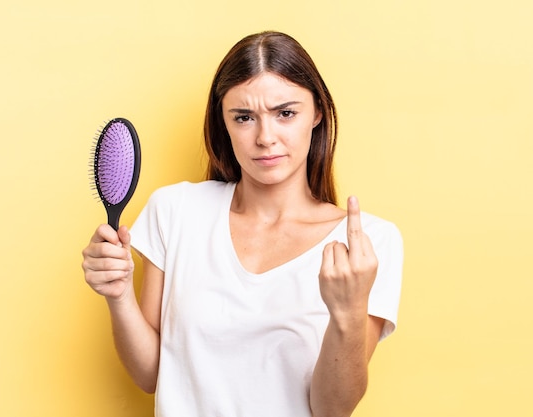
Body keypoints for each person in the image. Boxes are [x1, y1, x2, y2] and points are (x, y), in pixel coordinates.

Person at [82, 31, 403, 417]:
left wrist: (348, 314)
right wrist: (118, 297)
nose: (265, 138)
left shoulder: (368, 245)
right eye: (244, 118)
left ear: (316, 113)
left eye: (286, 113)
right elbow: (151, 374)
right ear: (224, 121)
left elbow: (332, 409)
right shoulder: (176, 210)